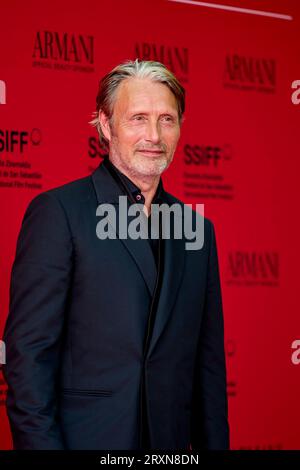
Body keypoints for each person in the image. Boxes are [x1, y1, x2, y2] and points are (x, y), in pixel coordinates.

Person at [2, 59, 230, 450]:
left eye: (167, 119)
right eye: (138, 118)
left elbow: (208, 370)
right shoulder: (59, 213)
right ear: (106, 126)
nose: (153, 135)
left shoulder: (198, 231)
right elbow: (28, 357)